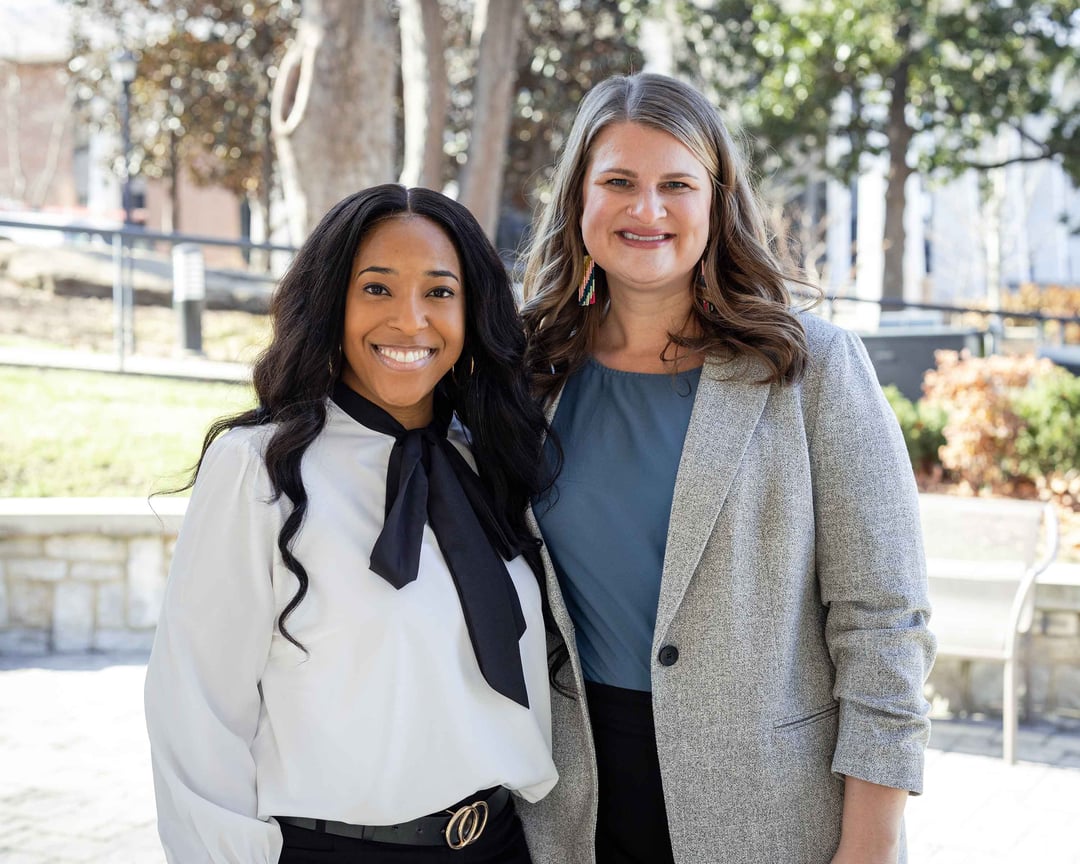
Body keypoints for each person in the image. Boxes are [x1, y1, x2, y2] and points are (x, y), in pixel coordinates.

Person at [515, 73, 936, 864]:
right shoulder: (525, 373)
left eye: (677, 184)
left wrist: (871, 847)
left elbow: (886, 622)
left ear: (716, 202)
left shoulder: (811, 368)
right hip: (568, 807)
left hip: (771, 813)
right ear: (578, 199)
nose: (648, 210)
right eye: (618, 183)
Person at [144, 184, 558, 864]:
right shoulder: (259, 470)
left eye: (439, 292)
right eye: (377, 289)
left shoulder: (487, 464)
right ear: (332, 301)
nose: (410, 320)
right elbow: (195, 711)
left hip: (502, 845)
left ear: (471, 309)